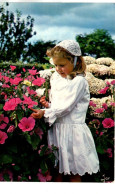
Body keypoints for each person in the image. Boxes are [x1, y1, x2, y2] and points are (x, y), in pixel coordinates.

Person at [30, 40, 99, 182]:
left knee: (73, 172)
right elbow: (59, 105)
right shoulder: (57, 79)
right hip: (58, 130)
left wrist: (45, 112)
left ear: (75, 62)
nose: (58, 69)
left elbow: (67, 107)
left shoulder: (79, 82)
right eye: (55, 65)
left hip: (72, 134)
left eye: (62, 65)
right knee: (57, 171)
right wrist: (48, 105)